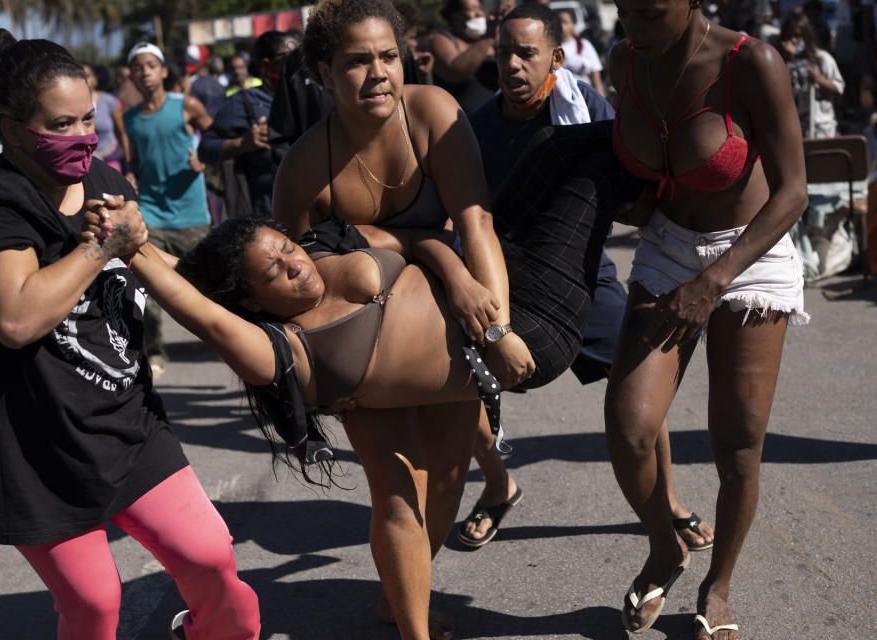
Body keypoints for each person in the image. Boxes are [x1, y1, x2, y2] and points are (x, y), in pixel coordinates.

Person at [272, 1, 646, 637]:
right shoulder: (304, 170)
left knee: (445, 482)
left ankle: (399, 597)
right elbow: (301, 290)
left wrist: (496, 328)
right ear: (322, 73)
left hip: (447, 332)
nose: (378, 74)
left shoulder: (434, 114)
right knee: (395, 491)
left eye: (388, 57)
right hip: (367, 351)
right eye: (356, 62)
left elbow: (477, 224)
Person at [0, 30, 260, 640]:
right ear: (9, 130)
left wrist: (246, 312)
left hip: (127, 426)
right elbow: (16, 319)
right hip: (36, 448)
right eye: (62, 125)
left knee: (216, 565)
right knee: (93, 606)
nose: (84, 137)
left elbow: (157, 275)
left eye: (89, 117)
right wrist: (98, 247)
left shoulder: (107, 180)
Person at [460, 1, 714, 553]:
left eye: (526, 54)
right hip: (505, 290)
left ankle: (666, 499)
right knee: (462, 390)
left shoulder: (590, 111)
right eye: (504, 53)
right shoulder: (472, 131)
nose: (512, 66)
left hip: (587, 277)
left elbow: (631, 196)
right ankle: (498, 489)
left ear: (555, 55)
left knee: (640, 392)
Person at [606, 1, 809, 638]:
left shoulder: (753, 63)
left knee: (738, 444)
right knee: (629, 425)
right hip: (670, 251)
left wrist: (715, 280)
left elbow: (793, 190)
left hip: (753, 254)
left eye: (646, 9)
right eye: (621, 7)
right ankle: (666, 547)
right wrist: (638, 195)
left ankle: (717, 586)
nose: (631, 23)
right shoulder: (624, 61)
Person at [123, 42, 213, 379]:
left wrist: (202, 158)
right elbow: (134, 160)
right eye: (137, 66)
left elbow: (214, 135)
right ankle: (156, 351)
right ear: (131, 74)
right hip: (151, 211)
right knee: (147, 283)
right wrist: (130, 174)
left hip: (191, 212)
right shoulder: (129, 118)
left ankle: (226, 335)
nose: (144, 72)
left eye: (150, 65)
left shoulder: (186, 106)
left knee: (207, 279)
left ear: (163, 71)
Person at [198, 31, 298, 218]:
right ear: (266, 66)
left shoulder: (315, 93)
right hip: (269, 218)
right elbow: (205, 148)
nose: (297, 66)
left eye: (301, 58)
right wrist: (243, 144)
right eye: (287, 59)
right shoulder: (244, 102)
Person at [775, 8, 845, 139]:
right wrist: (788, 61)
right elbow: (779, 92)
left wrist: (819, 79)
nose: (793, 41)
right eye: (789, 37)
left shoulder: (822, 59)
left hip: (821, 126)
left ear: (806, 36)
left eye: (797, 36)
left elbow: (839, 88)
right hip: (795, 128)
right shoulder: (779, 62)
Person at [429, 0, 507, 112]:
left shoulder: (492, 44)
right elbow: (455, 71)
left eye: (480, 9)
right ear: (455, 16)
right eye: (472, 9)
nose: (479, 14)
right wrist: (487, 37)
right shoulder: (441, 39)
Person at [81, 63, 130, 173]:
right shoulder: (71, 105)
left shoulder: (109, 101)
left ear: (95, 79)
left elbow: (122, 133)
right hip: (85, 163)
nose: (83, 80)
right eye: (78, 76)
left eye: (87, 75)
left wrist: (128, 166)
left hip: (110, 157)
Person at [557, 8, 606, 96]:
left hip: (585, 95)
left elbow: (595, 73)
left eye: (565, 22)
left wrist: (600, 95)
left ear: (573, 24)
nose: (561, 26)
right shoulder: (552, 47)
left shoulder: (584, 44)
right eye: (558, 22)